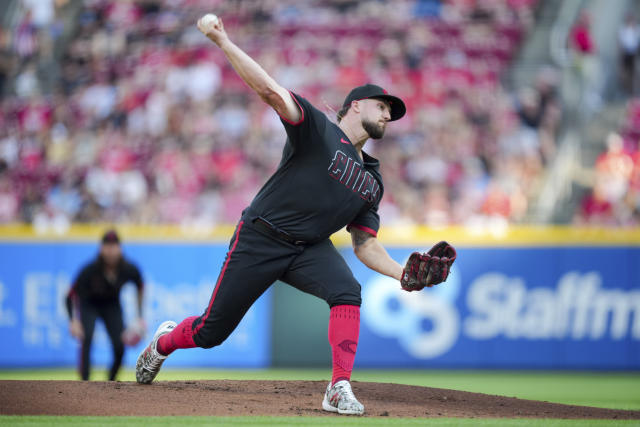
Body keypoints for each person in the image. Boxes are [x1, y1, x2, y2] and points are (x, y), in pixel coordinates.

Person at [135, 15, 445, 416]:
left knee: (348, 291)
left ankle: (338, 387)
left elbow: (364, 244)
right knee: (211, 332)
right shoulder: (318, 129)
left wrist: (401, 272)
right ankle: (163, 342)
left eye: (391, 111)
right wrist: (222, 40)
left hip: (307, 249)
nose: (388, 114)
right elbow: (269, 90)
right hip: (260, 236)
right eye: (382, 105)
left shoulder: (373, 181)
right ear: (355, 105)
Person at [65, 229, 145, 381]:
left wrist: (139, 316)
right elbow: (69, 296)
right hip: (89, 305)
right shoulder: (89, 270)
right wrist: (73, 320)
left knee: (119, 345)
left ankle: (111, 381)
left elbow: (140, 285)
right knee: (86, 337)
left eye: (114, 246)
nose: (111, 251)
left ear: (120, 248)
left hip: (111, 305)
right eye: (107, 246)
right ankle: (84, 382)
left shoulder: (128, 269)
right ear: (101, 249)